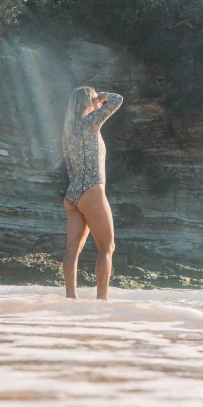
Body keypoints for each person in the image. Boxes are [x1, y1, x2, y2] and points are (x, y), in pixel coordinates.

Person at [61, 87, 123, 300]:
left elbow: (70, 168)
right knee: (107, 246)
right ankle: (102, 301)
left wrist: (94, 99)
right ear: (89, 101)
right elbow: (117, 100)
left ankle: (71, 298)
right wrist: (103, 97)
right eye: (94, 99)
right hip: (92, 188)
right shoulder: (90, 122)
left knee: (72, 249)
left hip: (72, 194)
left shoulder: (68, 131)